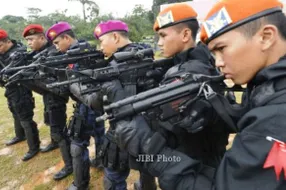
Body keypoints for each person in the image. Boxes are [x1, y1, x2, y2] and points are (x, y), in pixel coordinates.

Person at [113, 0, 286, 189]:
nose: (218, 63)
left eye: (221, 48)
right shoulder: (265, 87)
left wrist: (152, 151)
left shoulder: (273, 119)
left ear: (267, 36)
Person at [70, 20, 157, 190]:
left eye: (102, 41)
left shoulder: (115, 66)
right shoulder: (143, 52)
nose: (100, 47)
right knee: (146, 167)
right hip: (150, 126)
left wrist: (73, 85)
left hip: (122, 129)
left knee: (113, 175)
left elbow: (95, 102)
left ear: (115, 37)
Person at [46, 21, 105, 189]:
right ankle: (100, 161)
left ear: (66, 37)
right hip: (94, 103)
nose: (56, 47)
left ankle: (80, 184)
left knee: (78, 143)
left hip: (87, 104)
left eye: (57, 42)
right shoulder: (82, 50)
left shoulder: (80, 54)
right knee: (99, 133)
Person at [0, 29, 40, 161]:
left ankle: (34, 147)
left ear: (8, 42)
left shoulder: (19, 53)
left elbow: (6, 74)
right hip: (10, 89)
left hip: (20, 88)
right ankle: (20, 135)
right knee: (14, 112)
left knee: (25, 117)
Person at [22, 24, 74, 180]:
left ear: (42, 38)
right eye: (27, 40)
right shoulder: (40, 53)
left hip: (55, 96)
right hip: (49, 95)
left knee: (59, 130)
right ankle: (55, 143)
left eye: (31, 39)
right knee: (51, 122)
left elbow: (57, 81)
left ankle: (70, 164)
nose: (29, 43)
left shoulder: (53, 53)